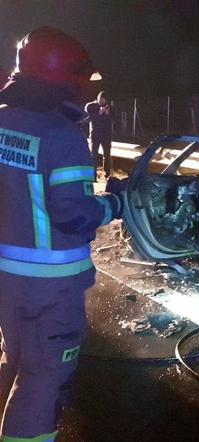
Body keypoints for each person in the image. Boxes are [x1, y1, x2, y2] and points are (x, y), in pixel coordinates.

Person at [0, 27, 123, 441]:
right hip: (49, 291)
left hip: (7, 283)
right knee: (43, 383)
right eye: (82, 79)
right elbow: (74, 216)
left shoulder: (2, 122)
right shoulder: (63, 137)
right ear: (64, 79)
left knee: (17, 366)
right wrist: (115, 204)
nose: (85, 88)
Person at [85, 90, 113, 180]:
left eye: (104, 100)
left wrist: (107, 114)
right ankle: (93, 175)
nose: (102, 101)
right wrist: (99, 113)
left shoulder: (109, 107)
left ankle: (107, 174)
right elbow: (88, 118)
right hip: (95, 134)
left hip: (106, 135)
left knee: (107, 155)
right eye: (100, 99)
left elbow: (113, 120)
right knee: (94, 155)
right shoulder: (92, 106)